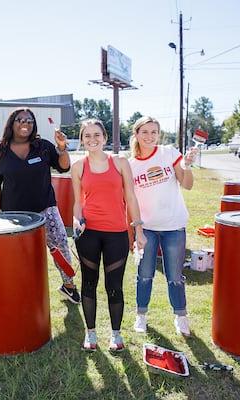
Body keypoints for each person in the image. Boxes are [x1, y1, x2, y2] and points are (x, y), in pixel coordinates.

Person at [0, 107, 80, 304]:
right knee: (20, 255)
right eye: (20, 120)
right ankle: (23, 289)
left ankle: (69, 286)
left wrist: (62, 147)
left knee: (60, 246)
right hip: (15, 215)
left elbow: (64, 167)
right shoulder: (1, 149)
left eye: (29, 121)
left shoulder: (43, 146)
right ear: (12, 123)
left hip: (46, 208)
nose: (25, 124)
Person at [71, 119, 146, 351]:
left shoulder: (120, 162)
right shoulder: (78, 166)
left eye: (97, 135)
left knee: (114, 285)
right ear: (82, 139)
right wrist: (76, 220)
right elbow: (77, 203)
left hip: (117, 233)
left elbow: (131, 198)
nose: (92, 140)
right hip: (89, 234)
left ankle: (115, 334)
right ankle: (91, 334)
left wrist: (139, 229)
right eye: (87, 136)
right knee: (89, 283)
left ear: (105, 137)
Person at [128, 116, 197, 337]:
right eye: (145, 132)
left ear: (159, 134)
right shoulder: (130, 165)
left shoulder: (168, 153)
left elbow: (187, 185)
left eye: (154, 132)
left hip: (174, 226)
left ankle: (181, 317)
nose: (150, 136)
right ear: (136, 134)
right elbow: (131, 201)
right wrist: (137, 230)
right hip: (146, 228)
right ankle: (141, 315)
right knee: (145, 274)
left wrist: (187, 166)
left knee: (175, 275)